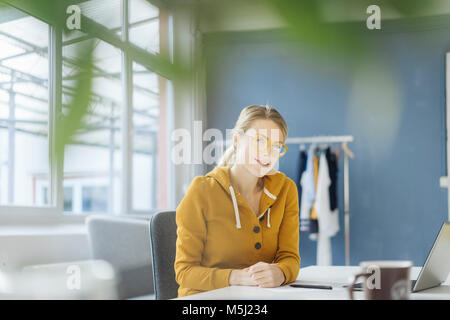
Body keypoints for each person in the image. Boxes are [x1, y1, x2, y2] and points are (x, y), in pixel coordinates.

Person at [174, 105, 300, 297]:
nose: (268, 153)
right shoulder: (202, 190)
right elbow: (185, 272)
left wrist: (281, 273)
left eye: (276, 146)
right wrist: (237, 277)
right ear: (237, 140)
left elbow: (290, 258)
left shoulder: (286, 189)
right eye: (259, 141)